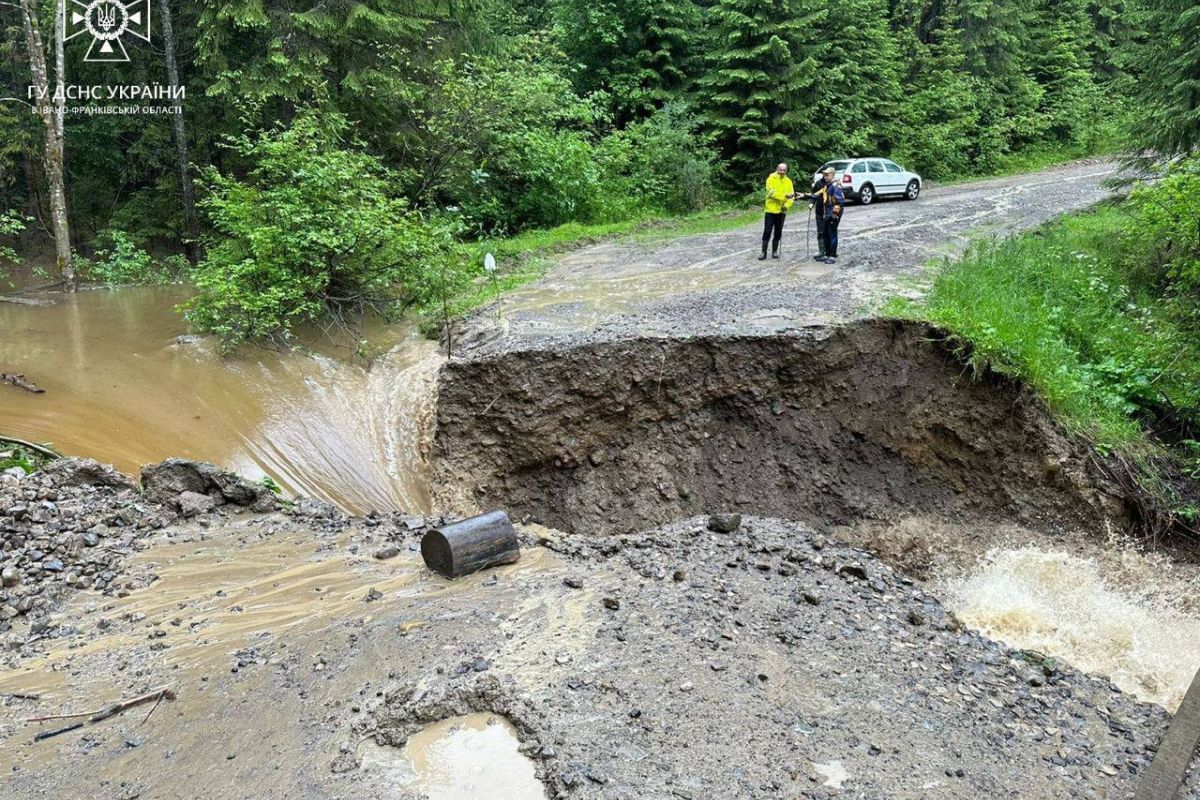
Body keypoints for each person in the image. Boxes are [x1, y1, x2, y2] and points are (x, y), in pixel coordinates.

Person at [803, 167, 844, 263]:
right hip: (826, 213)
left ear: (832, 175)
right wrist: (804, 196)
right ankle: (827, 254)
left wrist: (834, 214)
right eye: (824, 175)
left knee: (832, 234)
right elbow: (815, 194)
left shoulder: (835, 185)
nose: (825, 177)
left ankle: (832, 256)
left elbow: (839, 201)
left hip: (833, 214)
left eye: (827, 175)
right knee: (825, 234)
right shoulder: (827, 186)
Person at [760, 163, 795, 260]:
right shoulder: (770, 179)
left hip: (781, 211)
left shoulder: (788, 181)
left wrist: (786, 205)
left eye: (784, 170)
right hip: (770, 210)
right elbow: (771, 193)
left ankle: (774, 251)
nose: (782, 172)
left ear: (786, 171)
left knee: (778, 232)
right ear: (777, 169)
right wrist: (784, 196)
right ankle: (763, 252)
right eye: (780, 170)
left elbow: (792, 196)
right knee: (767, 231)